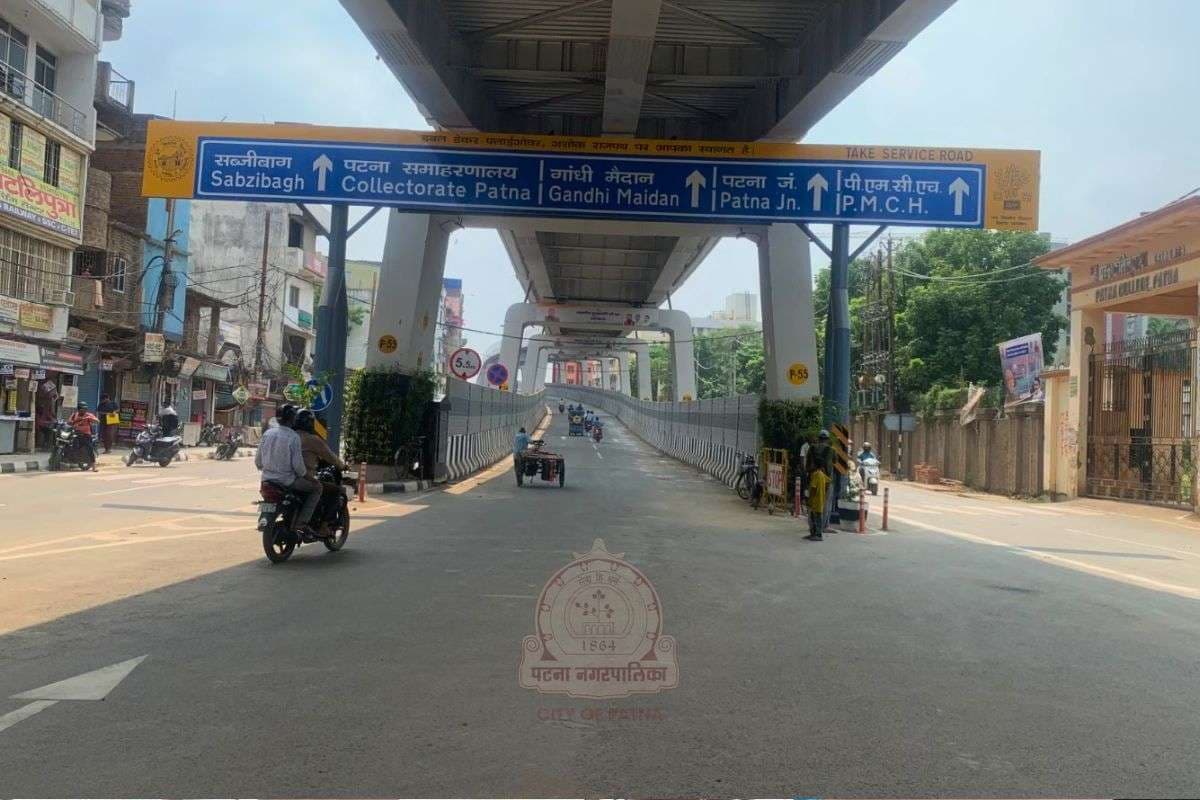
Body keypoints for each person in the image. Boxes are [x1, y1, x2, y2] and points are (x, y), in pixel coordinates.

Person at [255, 404, 320, 537]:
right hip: (287, 481)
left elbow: (258, 462)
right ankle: (302, 523)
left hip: (267, 481)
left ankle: (265, 518)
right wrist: (309, 478)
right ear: (292, 419)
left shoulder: (267, 433)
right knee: (317, 488)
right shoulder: (293, 437)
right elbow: (298, 467)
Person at [293, 409, 347, 522]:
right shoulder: (312, 440)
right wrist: (343, 466)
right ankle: (319, 525)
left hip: (284, 478)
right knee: (335, 490)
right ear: (310, 424)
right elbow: (330, 457)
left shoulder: (290, 437)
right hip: (303, 478)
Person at [804, 430, 835, 541]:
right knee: (822, 507)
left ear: (818, 438)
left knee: (812, 506)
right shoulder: (831, 450)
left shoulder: (811, 448)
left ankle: (814, 532)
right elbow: (832, 466)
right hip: (825, 481)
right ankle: (818, 532)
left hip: (813, 479)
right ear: (827, 439)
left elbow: (807, 466)